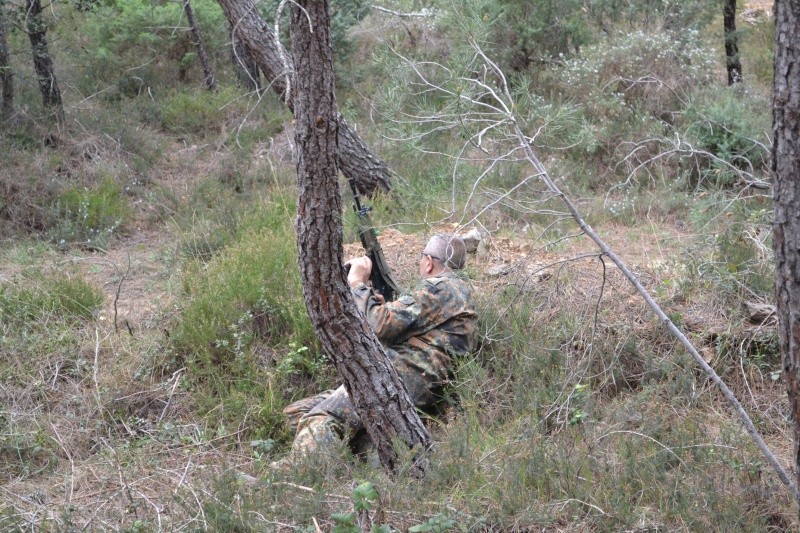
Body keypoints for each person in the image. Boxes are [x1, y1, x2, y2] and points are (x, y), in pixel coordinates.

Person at [277, 234, 478, 466]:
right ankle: (354, 452)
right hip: (414, 382)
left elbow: (379, 325)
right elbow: (401, 324)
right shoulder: (458, 292)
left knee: (323, 418)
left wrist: (356, 283)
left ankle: (292, 473)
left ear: (429, 262)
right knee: (295, 414)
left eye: (422, 257)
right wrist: (373, 302)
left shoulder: (439, 287)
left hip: (400, 376)